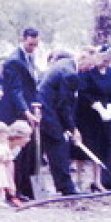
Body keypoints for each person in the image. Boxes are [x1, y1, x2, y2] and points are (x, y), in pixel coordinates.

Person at [37, 47, 97, 196]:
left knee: (53, 149)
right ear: (83, 58)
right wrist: (72, 128)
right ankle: (66, 188)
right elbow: (64, 105)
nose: (89, 69)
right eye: (89, 65)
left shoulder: (64, 63)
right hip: (49, 114)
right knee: (59, 150)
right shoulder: (70, 74)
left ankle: (61, 186)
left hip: (45, 112)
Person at [73, 45, 111, 191]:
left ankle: (97, 180)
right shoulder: (88, 71)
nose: (105, 64)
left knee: (100, 147)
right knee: (84, 146)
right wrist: (96, 105)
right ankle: (79, 180)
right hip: (88, 113)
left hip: (105, 116)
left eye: (108, 61)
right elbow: (83, 91)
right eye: (104, 60)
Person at [0, 28, 41, 200]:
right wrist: (26, 112)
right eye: (30, 44)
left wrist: (35, 108)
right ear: (23, 40)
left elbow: (31, 87)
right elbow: (15, 91)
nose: (33, 47)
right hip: (15, 112)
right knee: (17, 152)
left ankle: (27, 188)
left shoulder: (30, 58)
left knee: (28, 151)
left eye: (36, 45)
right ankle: (14, 191)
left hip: (28, 109)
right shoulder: (14, 61)